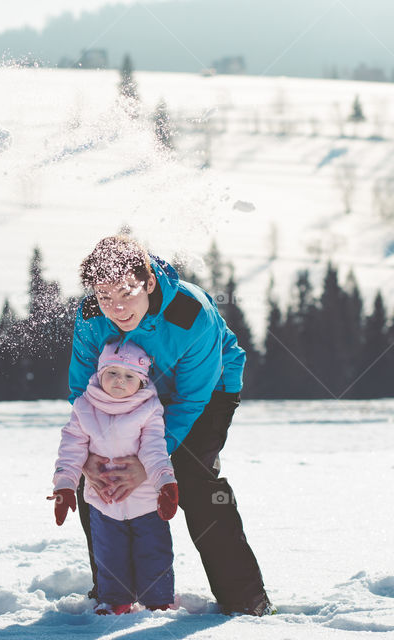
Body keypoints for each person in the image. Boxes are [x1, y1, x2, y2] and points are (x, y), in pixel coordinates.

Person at [68, 235, 272, 616]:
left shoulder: (189, 312)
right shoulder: (92, 315)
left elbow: (193, 399)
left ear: (147, 283)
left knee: (192, 480)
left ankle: (247, 601)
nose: (116, 307)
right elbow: (82, 390)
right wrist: (91, 455)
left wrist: (149, 463)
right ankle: (113, 595)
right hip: (128, 393)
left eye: (126, 293)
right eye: (104, 296)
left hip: (204, 392)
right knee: (98, 478)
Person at [51, 341, 180, 615]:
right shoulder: (84, 407)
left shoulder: (148, 409)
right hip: (103, 502)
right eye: (112, 373)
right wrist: (64, 486)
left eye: (129, 376)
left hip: (145, 502)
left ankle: (157, 601)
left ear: (142, 382)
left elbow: (155, 449)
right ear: (99, 374)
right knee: (109, 556)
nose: (119, 381)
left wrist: (165, 483)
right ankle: (115, 600)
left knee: (153, 552)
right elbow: (71, 449)